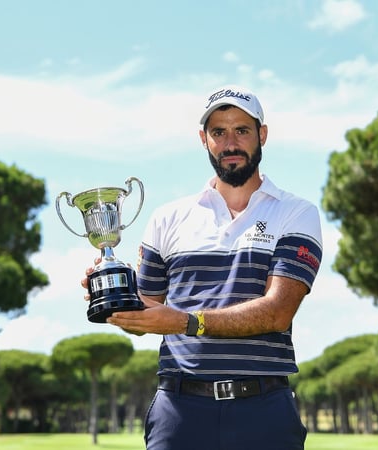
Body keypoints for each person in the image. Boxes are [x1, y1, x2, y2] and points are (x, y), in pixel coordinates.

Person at [82, 85, 323, 450]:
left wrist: (185, 322)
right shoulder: (168, 218)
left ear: (262, 134)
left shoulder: (295, 212)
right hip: (180, 410)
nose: (230, 143)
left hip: (264, 409)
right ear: (203, 139)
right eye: (218, 132)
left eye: (241, 130)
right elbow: (149, 311)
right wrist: (112, 294)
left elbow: (277, 311)